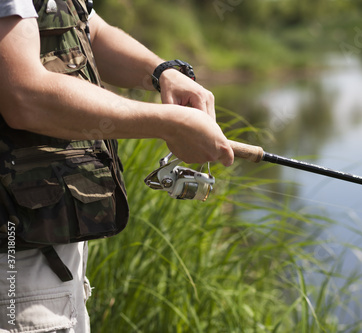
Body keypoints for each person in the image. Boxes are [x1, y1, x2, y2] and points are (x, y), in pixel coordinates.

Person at [0, 0, 234, 332]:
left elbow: (88, 28)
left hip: (48, 256)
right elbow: (22, 95)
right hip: (14, 264)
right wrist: (168, 124)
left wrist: (162, 73)